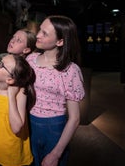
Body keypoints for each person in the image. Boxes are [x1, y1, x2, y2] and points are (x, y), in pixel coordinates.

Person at [26, 15, 85, 166]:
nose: (37, 35)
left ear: (60, 41)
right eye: (40, 30)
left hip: (54, 129)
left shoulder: (70, 70)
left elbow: (74, 118)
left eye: (44, 33)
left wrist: (56, 153)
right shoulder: (30, 60)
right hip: (29, 123)